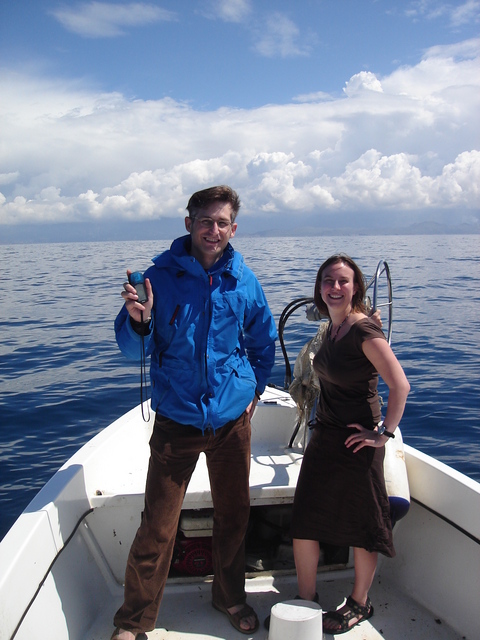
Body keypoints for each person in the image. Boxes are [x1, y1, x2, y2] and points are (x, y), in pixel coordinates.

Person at [112, 185, 277, 640]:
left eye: (222, 222)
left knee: (234, 516)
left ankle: (229, 598)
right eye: (205, 221)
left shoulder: (244, 279)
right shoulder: (157, 277)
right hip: (176, 421)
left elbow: (263, 343)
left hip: (231, 423)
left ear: (234, 228)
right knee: (158, 527)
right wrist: (138, 321)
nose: (213, 230)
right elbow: (131, 348)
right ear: (188, 223)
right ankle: (133, 622)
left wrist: (254, 393)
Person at [290, 254, 410, 635]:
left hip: (358, 443)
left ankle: (360, 602)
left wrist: (383, 434)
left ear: (356, 286)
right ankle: (306, 601)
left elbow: (400, 386)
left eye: (344, 281)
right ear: (319, 288)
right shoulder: (333, 327)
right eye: (328, 280)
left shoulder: (362, 330)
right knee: (305, 519)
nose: (335, 287)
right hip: (325, 434)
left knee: (362, 525)